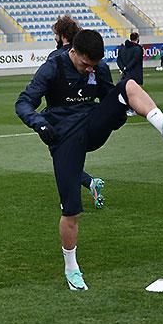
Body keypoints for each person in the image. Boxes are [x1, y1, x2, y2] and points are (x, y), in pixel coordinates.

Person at [15, 29, 163, 291]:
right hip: (63, 136)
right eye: (86, 64)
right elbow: (23, 102)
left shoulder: (99, 68)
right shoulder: (53, 67)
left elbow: (111, 96)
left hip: (91, 124)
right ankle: (72, 269)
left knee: (127, 86)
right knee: (71, 210)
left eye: (93, 65)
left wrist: (120, 110)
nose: (90, 70)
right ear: (73, 52)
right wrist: (39, 123)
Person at [49, 16, 105, 208]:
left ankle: (72, 197)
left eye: (56, 34)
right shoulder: (89, 59)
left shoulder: (56, 58)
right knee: (70, 158)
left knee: (63, 160)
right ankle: (90, 183)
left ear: (62, 35)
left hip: (62, 122)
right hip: (86, 119)